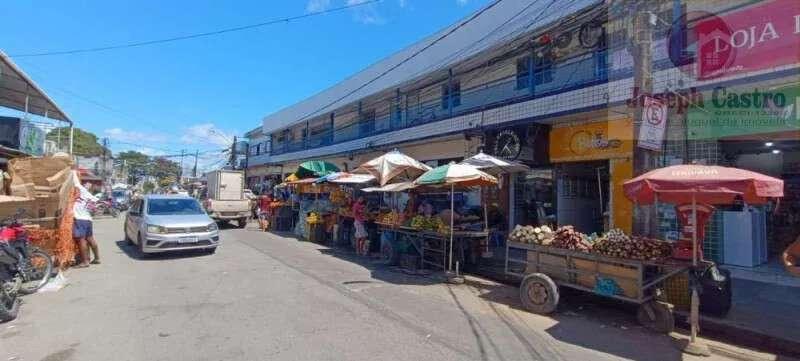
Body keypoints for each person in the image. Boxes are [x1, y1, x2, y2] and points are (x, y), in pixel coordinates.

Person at [73, 182, 100, 267]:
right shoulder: (91, 197)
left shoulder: (80, 192)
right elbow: (93, 209)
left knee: (81, 240)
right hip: (88, 219)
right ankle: (97, 258)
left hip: (79, 219)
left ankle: (85, 261)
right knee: (90, 238)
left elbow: (75, 180)